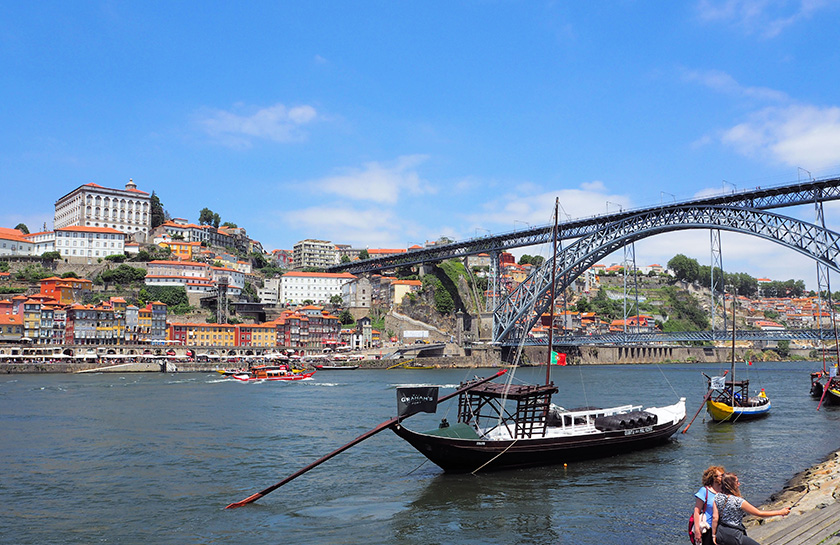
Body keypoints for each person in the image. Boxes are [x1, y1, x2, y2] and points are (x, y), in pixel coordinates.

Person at [712, 473, 790, 545]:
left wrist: (713, 535)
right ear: (731, 484)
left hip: (721, 533)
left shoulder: (717, 497)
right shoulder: (738, 501)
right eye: (737, 482)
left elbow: (715, 518)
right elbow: (759, 513)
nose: (739, 484)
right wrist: (780, 512)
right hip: (734, 534)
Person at [694, 466, 725, 545]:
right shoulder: (704, 491)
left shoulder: (724, 491)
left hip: (722, 527)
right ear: (713, 478)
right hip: (708, 527)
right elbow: (696, 511)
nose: (723, 477)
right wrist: (697, 530)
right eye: (721, 475)